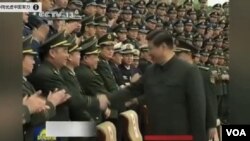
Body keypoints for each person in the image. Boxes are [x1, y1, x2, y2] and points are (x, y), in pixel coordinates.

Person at [108, 30, 206, 141]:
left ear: (163, 47)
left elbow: (197, 110)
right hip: (155, 134)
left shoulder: (188, 71)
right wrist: (107, 100)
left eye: (151, 48)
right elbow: (132, 90)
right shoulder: (151, 71)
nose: (149, 53)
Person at [25, 33, 72, 141]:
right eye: (64, 51)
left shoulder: (56, 71)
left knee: (93, 129)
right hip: (53, 128)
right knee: (91, 130)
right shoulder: (45, 73)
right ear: (52, 53)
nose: (68, 55)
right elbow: (71, 97)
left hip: (61, 125)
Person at [174, 39, 218, 140]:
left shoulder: (203, 74)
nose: (175, 57)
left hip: (198, 123)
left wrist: (212, 124)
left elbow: (210, 100)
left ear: (189, 55)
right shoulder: (174, 73)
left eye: (179, 54)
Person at [75, 37, 112, 124]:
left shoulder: (84, 71)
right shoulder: (87, 74)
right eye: (95, 56)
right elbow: (104, 95)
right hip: (88, 120)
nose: (98, 60)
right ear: (85, 58)